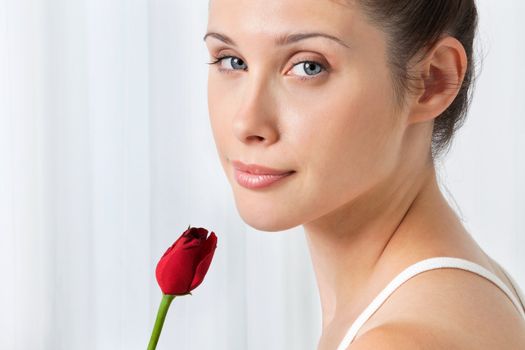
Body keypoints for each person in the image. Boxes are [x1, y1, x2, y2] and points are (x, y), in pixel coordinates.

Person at [203, 0, 525, 348]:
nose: (247, 123)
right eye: (231, 61)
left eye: (309, 66)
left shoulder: (401, 339)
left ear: (432, 79)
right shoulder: (455, 296)